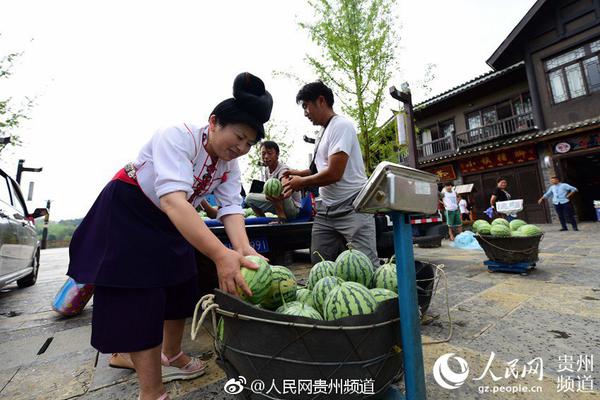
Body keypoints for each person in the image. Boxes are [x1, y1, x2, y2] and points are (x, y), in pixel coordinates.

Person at [67, 72, 273, 400]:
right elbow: (173, 199)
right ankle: (152, 392)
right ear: (214, 122)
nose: (242, 148)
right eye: (239, 136)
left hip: (172, 217)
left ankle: (171, 354)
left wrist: (244, 248)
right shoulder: (178, 136)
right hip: (130, 208)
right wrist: (220, 254)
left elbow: (232, 207)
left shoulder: (229, 165)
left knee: (181, 281)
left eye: (249, 143)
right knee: (141, 294)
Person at [282, 81, 379, 268]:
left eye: (305, 106)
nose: (305, 113)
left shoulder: (341, 126)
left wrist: (301, 182)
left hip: (353, 208)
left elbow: (334, 173)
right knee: (320, 262)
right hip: (326, 211)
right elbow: (318, 169)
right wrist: (298, 173)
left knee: (365, 266)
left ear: (320, 100)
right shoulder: (322, 133)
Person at [245, 141, 301, 222]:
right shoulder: (267, 170)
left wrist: (274, 193)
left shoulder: (283, 169)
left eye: (269, 153)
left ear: (277, 154)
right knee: (249, 198)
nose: (266, 156)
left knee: (277, 191)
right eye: (263, 153)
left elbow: (285, 190)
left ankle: (282, 217)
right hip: (278, 203)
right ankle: (262, 219)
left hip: (292, 209)